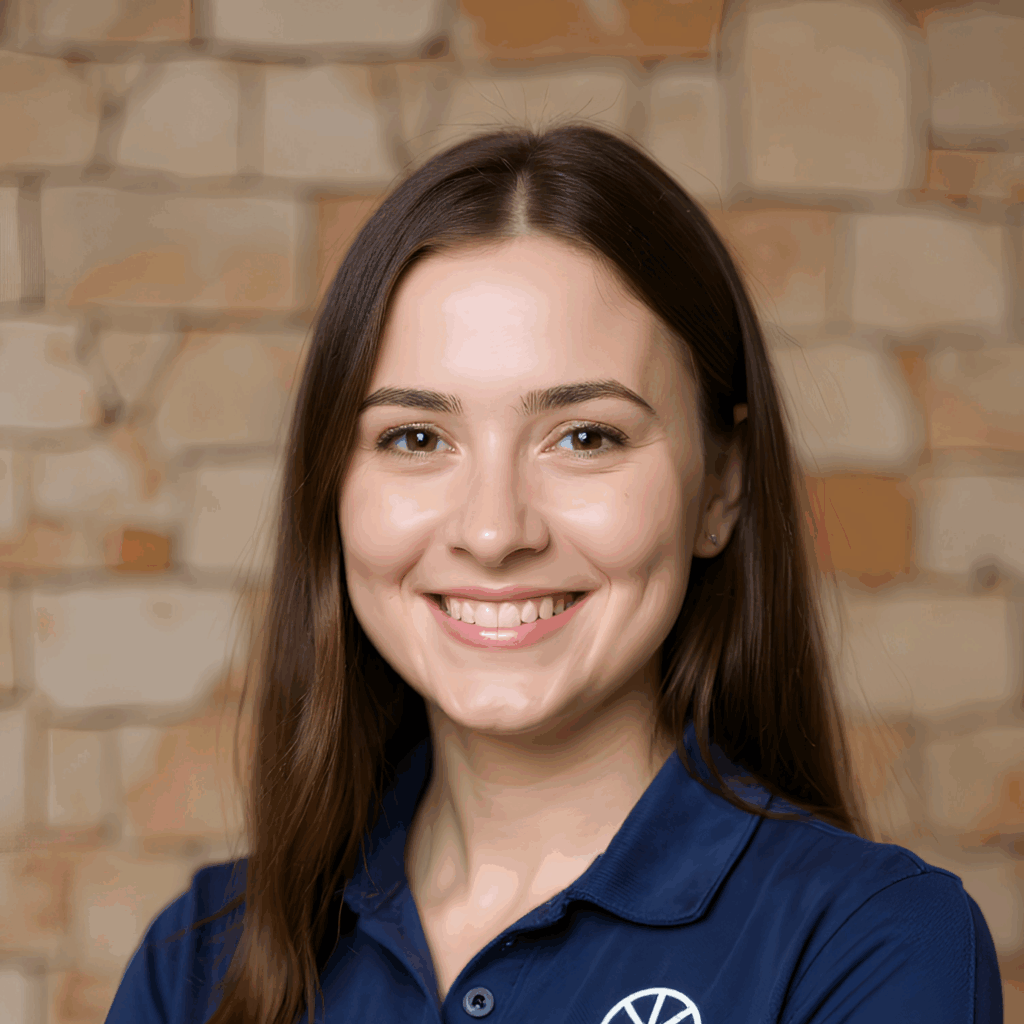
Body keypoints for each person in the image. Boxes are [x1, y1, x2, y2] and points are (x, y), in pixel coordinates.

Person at [105, 124, 1002, 1024]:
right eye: (416, 438)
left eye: (586, 436)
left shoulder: (872, 946)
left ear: (721, 486)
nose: (494, 531)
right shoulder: (194, 965)